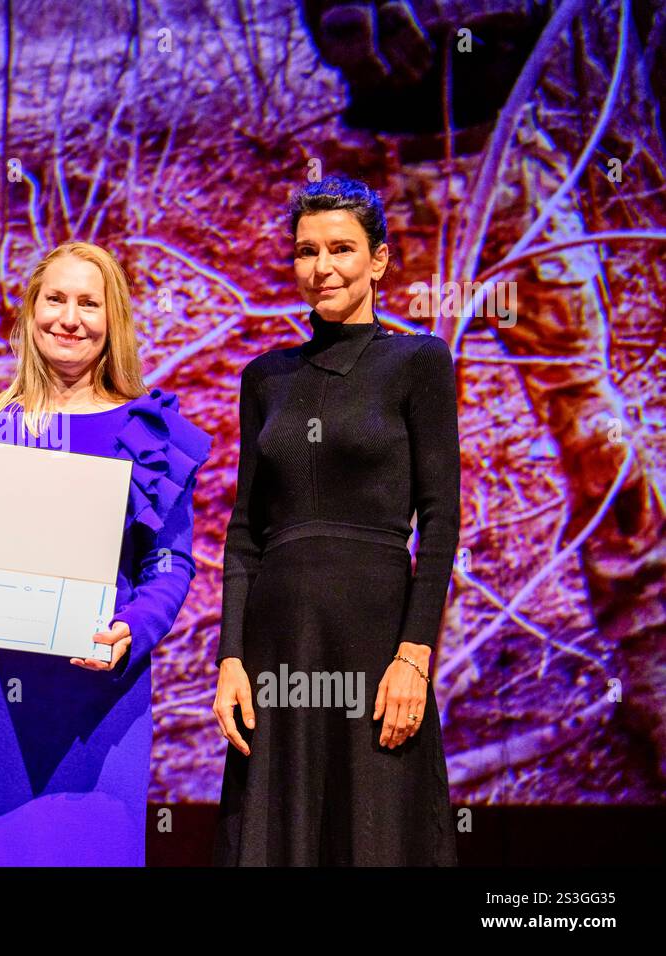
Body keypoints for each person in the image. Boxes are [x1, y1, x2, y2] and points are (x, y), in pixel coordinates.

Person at [0, 241, 211, 866]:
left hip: (102, 686)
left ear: (114, 321)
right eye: (55, 299)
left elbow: (169, 563)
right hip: (1, 688)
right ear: (29, 311)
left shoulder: (149, 431)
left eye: (88, 303)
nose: (69, 318)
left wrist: (133, 629)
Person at [213, 177, 459, 865]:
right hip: (278, 644)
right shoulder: (265, 377)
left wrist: (415, 656)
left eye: (342, 249)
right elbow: (244, 530)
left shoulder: (417, 361)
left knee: (376, 827)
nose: (322, 267)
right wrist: (230, 656)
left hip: (376, 638)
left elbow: (440, 520)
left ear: (377, 260)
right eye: (306, 251)